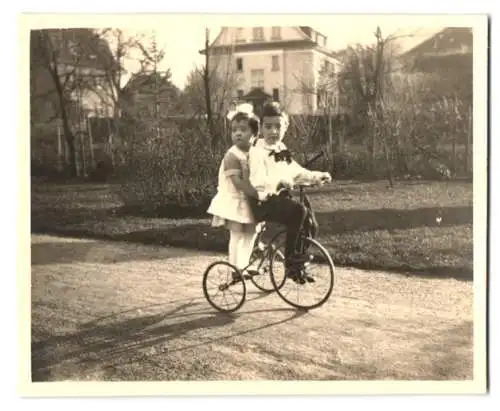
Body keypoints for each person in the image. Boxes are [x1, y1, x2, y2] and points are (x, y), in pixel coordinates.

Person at [248, 101, 332, 283]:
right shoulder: (257, 151)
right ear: (261, 128)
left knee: (310, 222)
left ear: (285, 127)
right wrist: (278, 182)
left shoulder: (281, 148)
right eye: (268, 127)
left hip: (278, 200)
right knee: (298, 211)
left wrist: (317, 176)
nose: (273, 132)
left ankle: (297, 267)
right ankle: (290, 261)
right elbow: (257, 181)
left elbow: (296, 171)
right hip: (262, 202)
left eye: (278, 126)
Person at [207, 103, 262, 281]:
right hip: (236, 199)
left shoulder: (254, 152)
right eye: (234, 130)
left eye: (243, 129)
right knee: (237, 234)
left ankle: (244, 265)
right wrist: (257, 193)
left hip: (250, 199)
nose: (238, 133)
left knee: (251, 233)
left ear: (254, 134)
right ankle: (234, 268)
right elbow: (238, 183)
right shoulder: (232, 155)